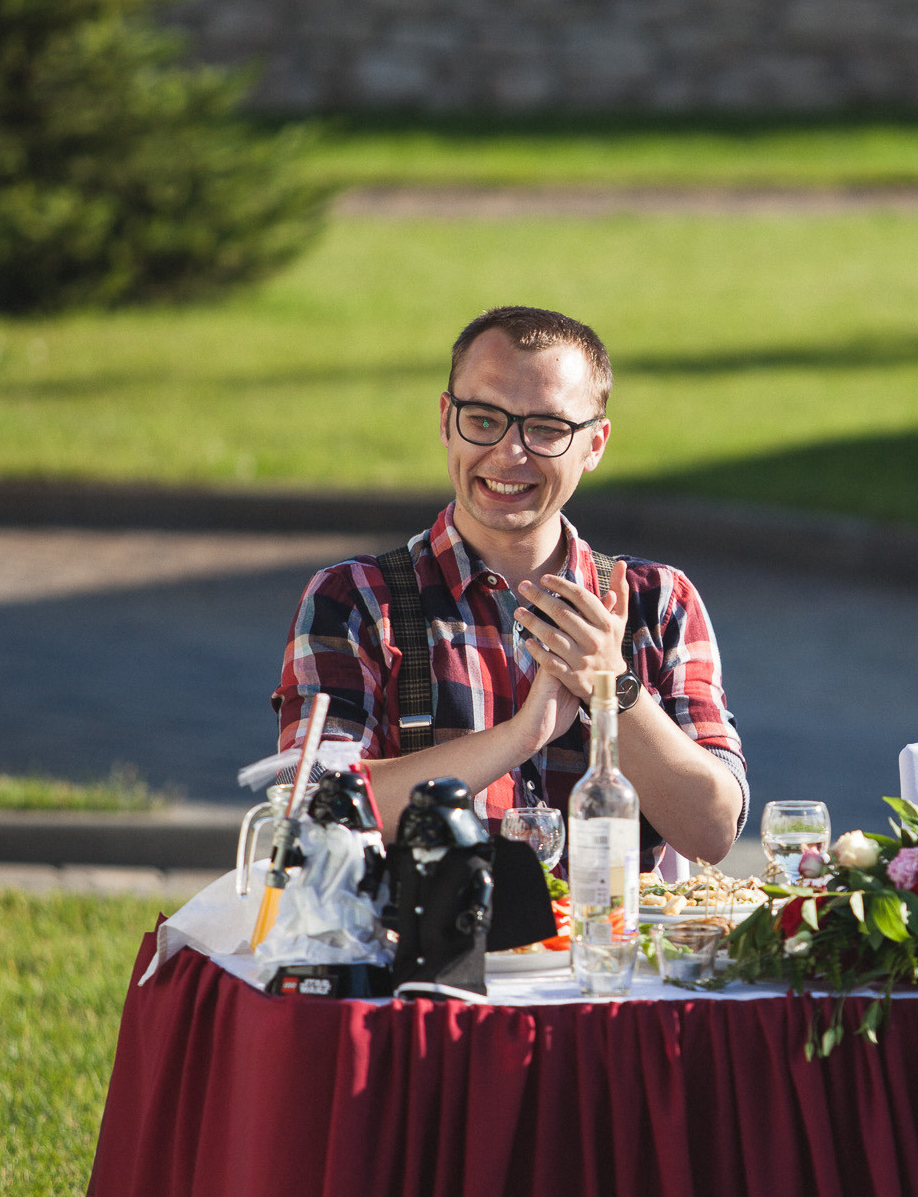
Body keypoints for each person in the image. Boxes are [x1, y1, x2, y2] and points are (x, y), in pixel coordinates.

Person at [272, 305, 746, 874]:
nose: (509, 452)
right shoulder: (357, 598)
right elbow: (312, 810)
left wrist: (614, 689)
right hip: (425, 960)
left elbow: (713, 832)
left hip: (609, 958)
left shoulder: (656, 600)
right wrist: (522, 736)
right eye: (484, 418)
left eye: (546, 429)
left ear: (595, 444)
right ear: (447, 419)